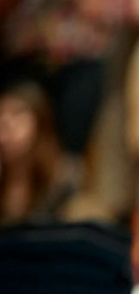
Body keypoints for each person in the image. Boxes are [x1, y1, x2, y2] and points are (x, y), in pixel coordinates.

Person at [0, 79, 80, 225]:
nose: (6, 126)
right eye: (1, 116)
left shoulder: (65, 177)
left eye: (16, 114)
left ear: (39, 120)